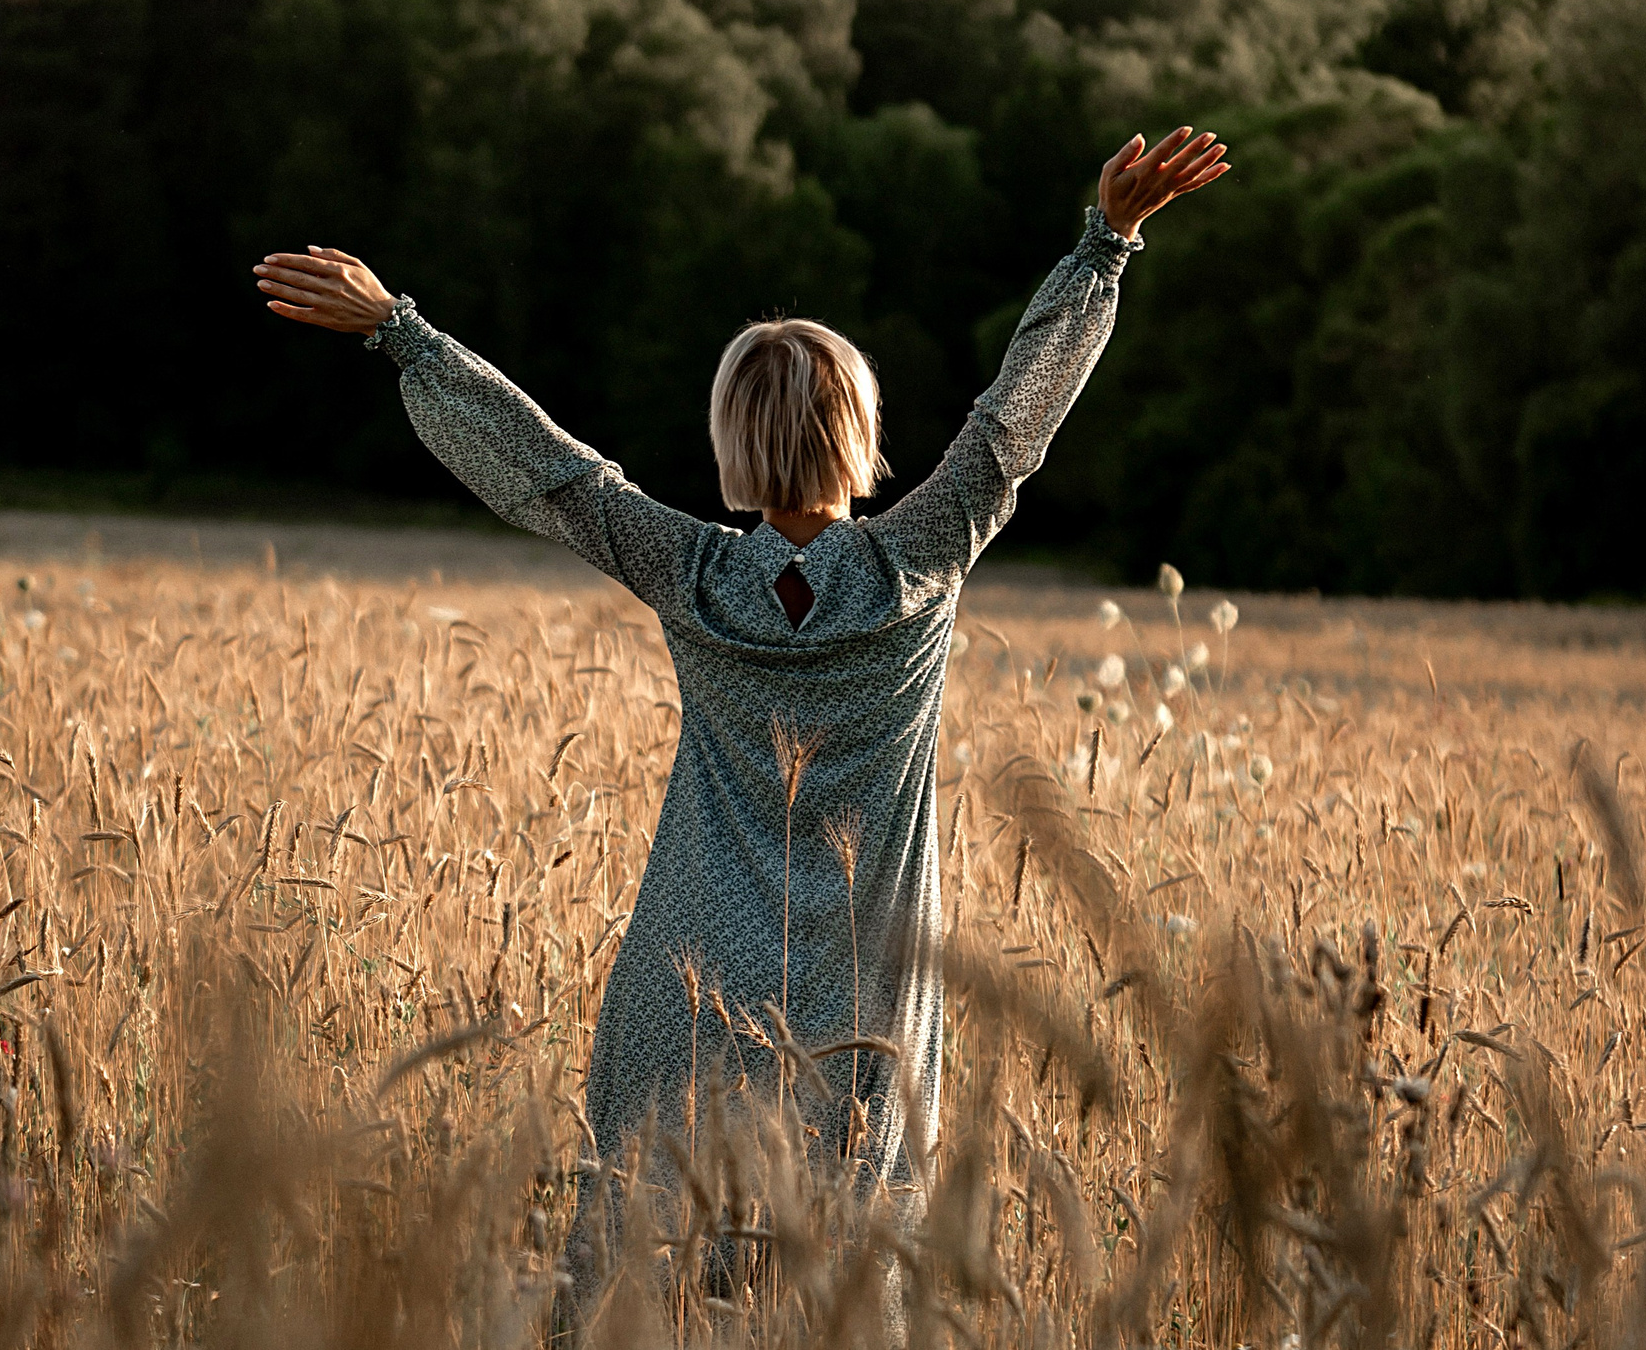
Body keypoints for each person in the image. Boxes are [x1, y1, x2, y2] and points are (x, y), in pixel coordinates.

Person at [252, 127, 1229, 1322]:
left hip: (686, 980)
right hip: (869, 999)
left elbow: (546, 467)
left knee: (641, 1282)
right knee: (845, 1293)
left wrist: (399, 329)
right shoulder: (922, 557)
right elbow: (1011, 422)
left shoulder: (686, 569)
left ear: (727, 438)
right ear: (861, 436)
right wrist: (1104, 243)